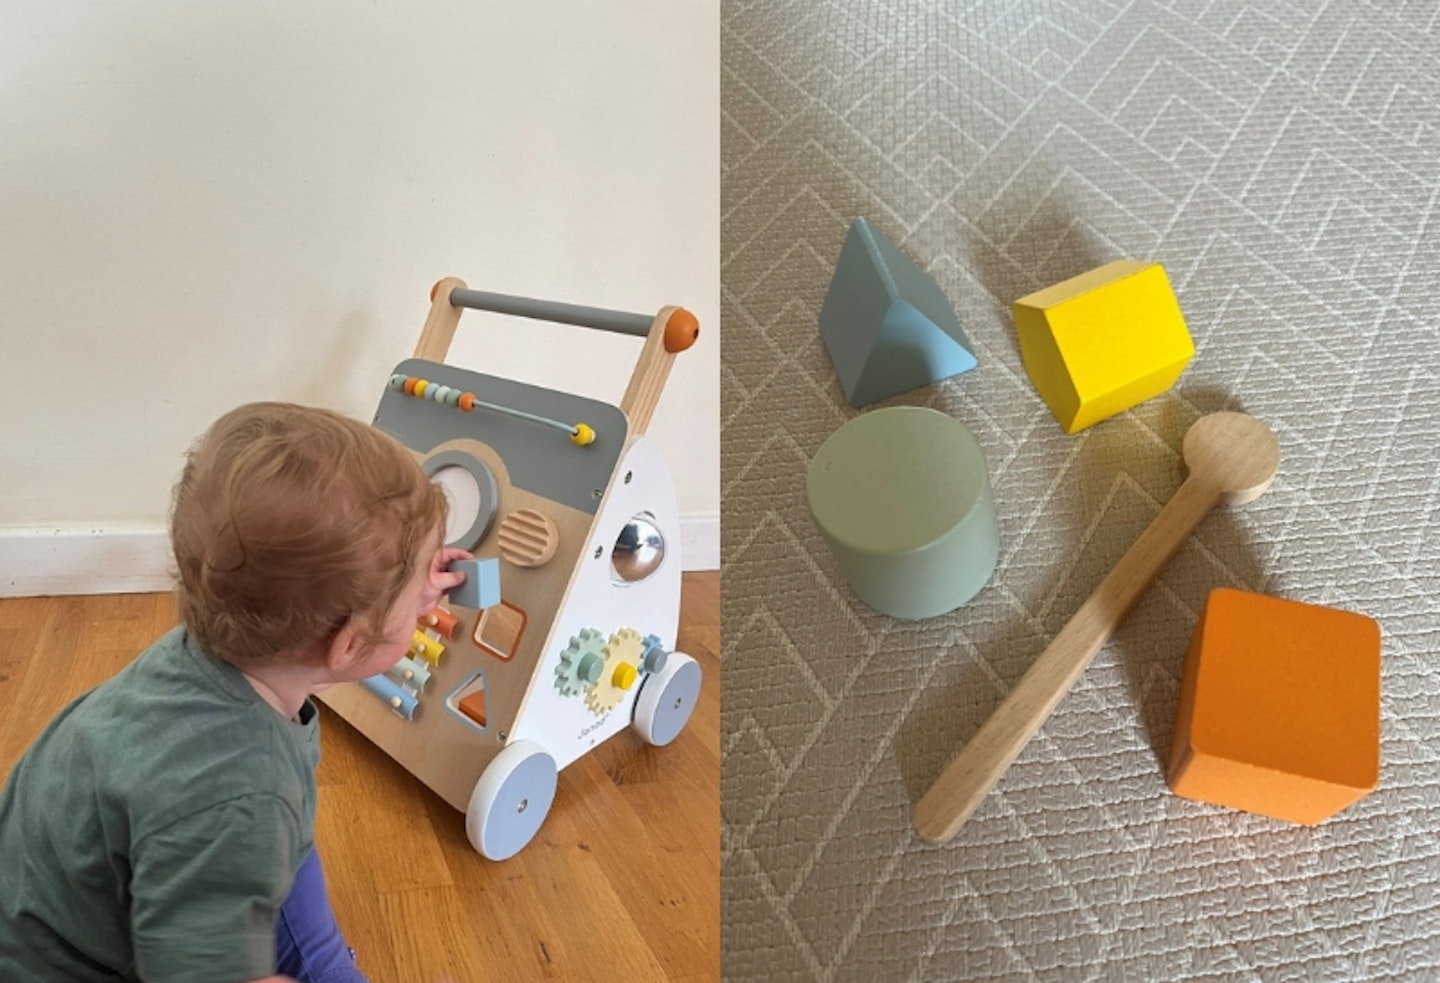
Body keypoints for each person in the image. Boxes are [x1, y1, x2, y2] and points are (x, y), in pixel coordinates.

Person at [0, 402, 469, 983]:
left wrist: (406, 593)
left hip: (62, 896)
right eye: (418, 580)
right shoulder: (237, 792)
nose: (431, 593)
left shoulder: (214, 653)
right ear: (349, 646)